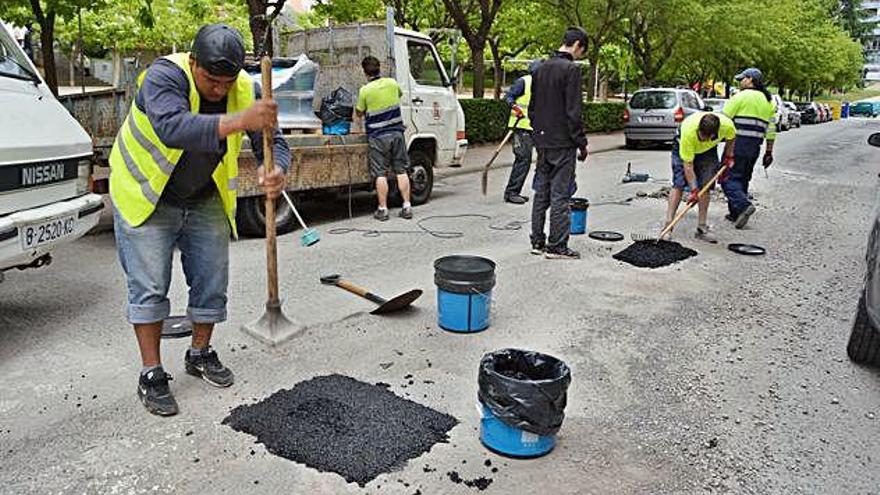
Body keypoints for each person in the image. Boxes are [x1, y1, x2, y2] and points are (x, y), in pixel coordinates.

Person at [109, 24, 290, 416]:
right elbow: (172, 127)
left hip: (203, 196)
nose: (219, 90)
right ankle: (152, 373)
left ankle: (200, 353)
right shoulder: (163, 76)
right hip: (146, 195)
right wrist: (241, 121)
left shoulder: (244, 88)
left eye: (227, 81)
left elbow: (274, 142)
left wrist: (276, 170)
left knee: (211, 281)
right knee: (150, 287)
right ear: (194, 63)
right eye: (211, 80)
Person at [528, 27, 589, 260]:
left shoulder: (540, 67)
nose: (580, 56)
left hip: (542, 141)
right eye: (582, 51)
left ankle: (537, 241)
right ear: (577, 46)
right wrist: (581, 143)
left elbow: (533, 108)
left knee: (541, 193)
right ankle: (557, 246)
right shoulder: (571, 70)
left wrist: (539, 134)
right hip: (563, 143)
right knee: (560, 196)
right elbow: (573, 112)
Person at [355, 56, 413, 221]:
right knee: (401, 170)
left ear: (365, 72)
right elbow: (399, 95)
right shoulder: (392, 83)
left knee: (380, 173)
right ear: (379, 68)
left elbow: (359, 112)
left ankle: (383, 209)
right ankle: (407, 206)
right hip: (396, 133)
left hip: (378, 137)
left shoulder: (365, 90)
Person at [665, 112, 736, 243]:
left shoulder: (727, 126)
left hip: (708, 151)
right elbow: (688, 165)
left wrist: (728, 155)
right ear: (699, 129)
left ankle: (701, 227)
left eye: (706, 137)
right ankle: (668, 226)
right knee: (678, 183)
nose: (702, 139)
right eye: (701, 135)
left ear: (715, 134)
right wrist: (693, 190)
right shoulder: (689, 133)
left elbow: (732, 137)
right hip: (683, 145)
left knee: (706, 185)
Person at [720, 67, 776, 229]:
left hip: (737, 145)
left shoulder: (740, 97)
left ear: (750, 80)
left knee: (726, 178)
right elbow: (771, 130)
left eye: (742, 79)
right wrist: (769, 152)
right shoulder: (768, 102)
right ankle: (736, 213)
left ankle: (743, 206)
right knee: (743, 178)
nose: (740, 82)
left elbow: (723, 121)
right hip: (754, 147)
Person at [502, 60, 541, 204]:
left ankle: (515, 191)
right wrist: (514, 106)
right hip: (521, 127)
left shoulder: (542, 85)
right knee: (523, 159)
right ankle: (511, 192)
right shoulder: (524, 82)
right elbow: (508, 97)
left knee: (531, 160)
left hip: (534, 127)